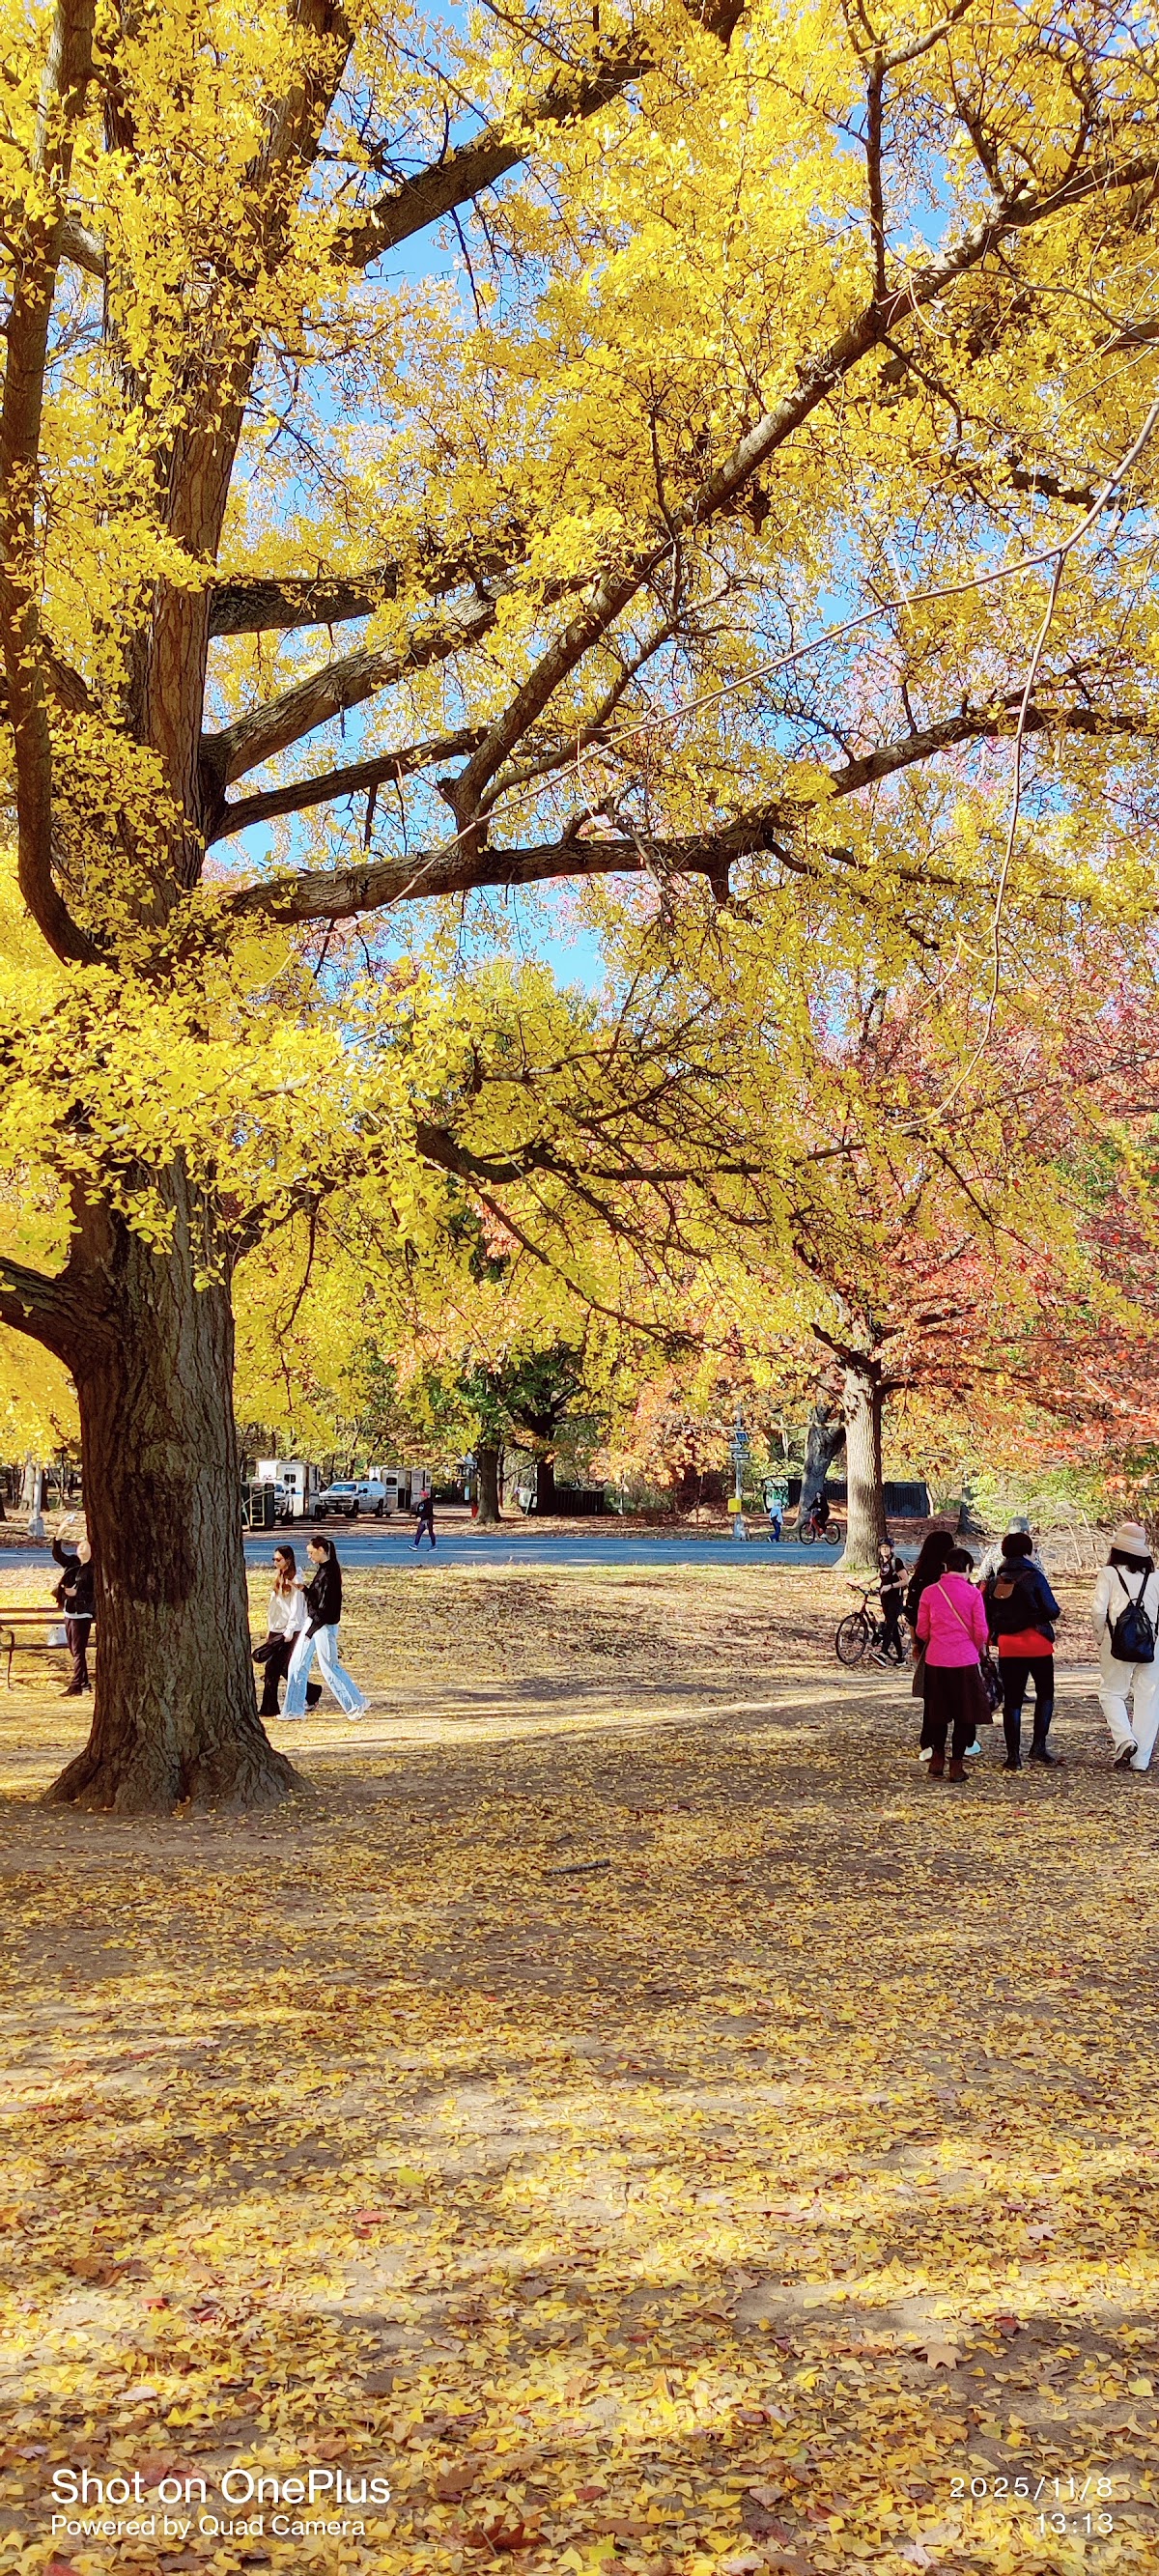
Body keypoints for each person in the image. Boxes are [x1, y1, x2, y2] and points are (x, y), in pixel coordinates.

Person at [983, 1530, 1062, 1770]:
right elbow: (1052, 1610)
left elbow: (988, 1615)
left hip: (1008, 1645)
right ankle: (1038, 1746)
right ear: (1027, 1551)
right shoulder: (1034, 1577)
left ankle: (1013, 1756)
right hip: (1038, 1643)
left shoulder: (995, 1581)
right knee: (1045, 1694)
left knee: (1013, 1701)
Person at [914, 1544, 989, 1779]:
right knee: (964, 1713)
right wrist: (975, 1648)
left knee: (938, 1712)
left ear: (945, 1567)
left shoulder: (929, 1592)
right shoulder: (973, 1594)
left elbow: (922, 1630)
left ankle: (937, 1758)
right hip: (964, 1660)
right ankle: (956, 1764)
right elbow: (981, 1631)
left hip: (936, 1659)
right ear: (967, 1568)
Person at [1091, 1520, 1159, 1774]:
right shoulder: (1156, 1577)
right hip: (1151, 1643)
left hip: (1115, 1641)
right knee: (1149, 1699)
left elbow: (1098, 1610)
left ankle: (1124, 1740)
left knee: (1111, 1692)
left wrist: (1100, 1636)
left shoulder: (1109, 1574)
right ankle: (1141, 1760)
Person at [283, 1537, 368, 1719]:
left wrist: (311, 1631)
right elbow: (317, 1598)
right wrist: (303, 1589)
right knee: (296, 1664)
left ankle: (355, 1704)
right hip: (313, 1621)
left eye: (311, 1552)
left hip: (322, 1626)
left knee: (330, 1667)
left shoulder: (330, 1573)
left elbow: (327, 1607)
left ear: (321, 1550)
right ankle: (293, 1709)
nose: (309, 1556)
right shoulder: (323, 1570)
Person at [252, 1545, 321, 1719]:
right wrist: (271, 1628)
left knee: (276, 1667)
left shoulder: (295, 1579)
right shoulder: (279, 1576)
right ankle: (311, 1691)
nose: (275, 1562)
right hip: (276, 1628)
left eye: (278, 1559)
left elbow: (296, 1609)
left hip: (290, 1630)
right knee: (278, 1668)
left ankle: (270, 1707)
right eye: (274, 1559)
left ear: (288, 1560)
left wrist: (289, 1631)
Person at [905, 1530, 955, 1758]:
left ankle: (929, 1739)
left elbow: (912, 1614)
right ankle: (964, 1740)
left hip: (928, 1641)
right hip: (954, 1641)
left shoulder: (920, 1578)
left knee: (931, 1692)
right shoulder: (953, 1580)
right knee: (957, 1692)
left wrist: (916, 1640)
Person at [52, 1528, 94, 1696]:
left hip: (82, 1614)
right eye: (79, 1546)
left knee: (78, 1651)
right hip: (69, 1611)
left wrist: (78, 1594)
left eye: (85, 1546)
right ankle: (84, 1683)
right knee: (74, 1650)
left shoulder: (93, 1569)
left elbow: (97, 1594)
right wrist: (59, 1535)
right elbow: (58, 1555)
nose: (81, 1548)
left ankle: (77, 1685)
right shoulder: (73, 1563)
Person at [873, 1538, 906, 1665]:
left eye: (886, 1547)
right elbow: (879, 1574)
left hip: (895, 1599)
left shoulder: (896, 1562)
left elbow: (905, 1580)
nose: (884, 1550)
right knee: (892, 1628)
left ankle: (883, 1653)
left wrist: (890, 1586)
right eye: (882, 1547)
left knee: (889, 1626)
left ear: (891, 1549)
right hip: (885, 1598)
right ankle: (900, 1658)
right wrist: (866, 1582)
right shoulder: (883, 1562)